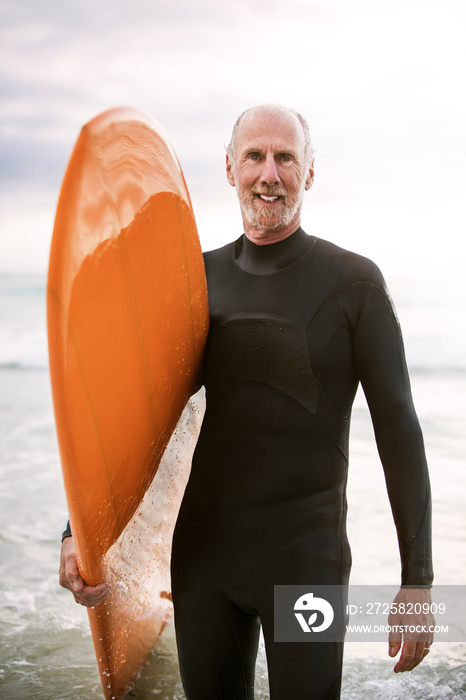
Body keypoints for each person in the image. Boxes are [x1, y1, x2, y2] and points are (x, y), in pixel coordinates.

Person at [59, 104, 434, 699]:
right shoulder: (193, 282)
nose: (269, 173)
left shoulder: (354, 285)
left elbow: (399, 431)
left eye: (286, 157)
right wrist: (80, 532)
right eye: (255, 156)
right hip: (205, 562)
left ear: (309, 172)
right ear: (230, 167)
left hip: (307, 564)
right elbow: (138, 418)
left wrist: (418, 584)